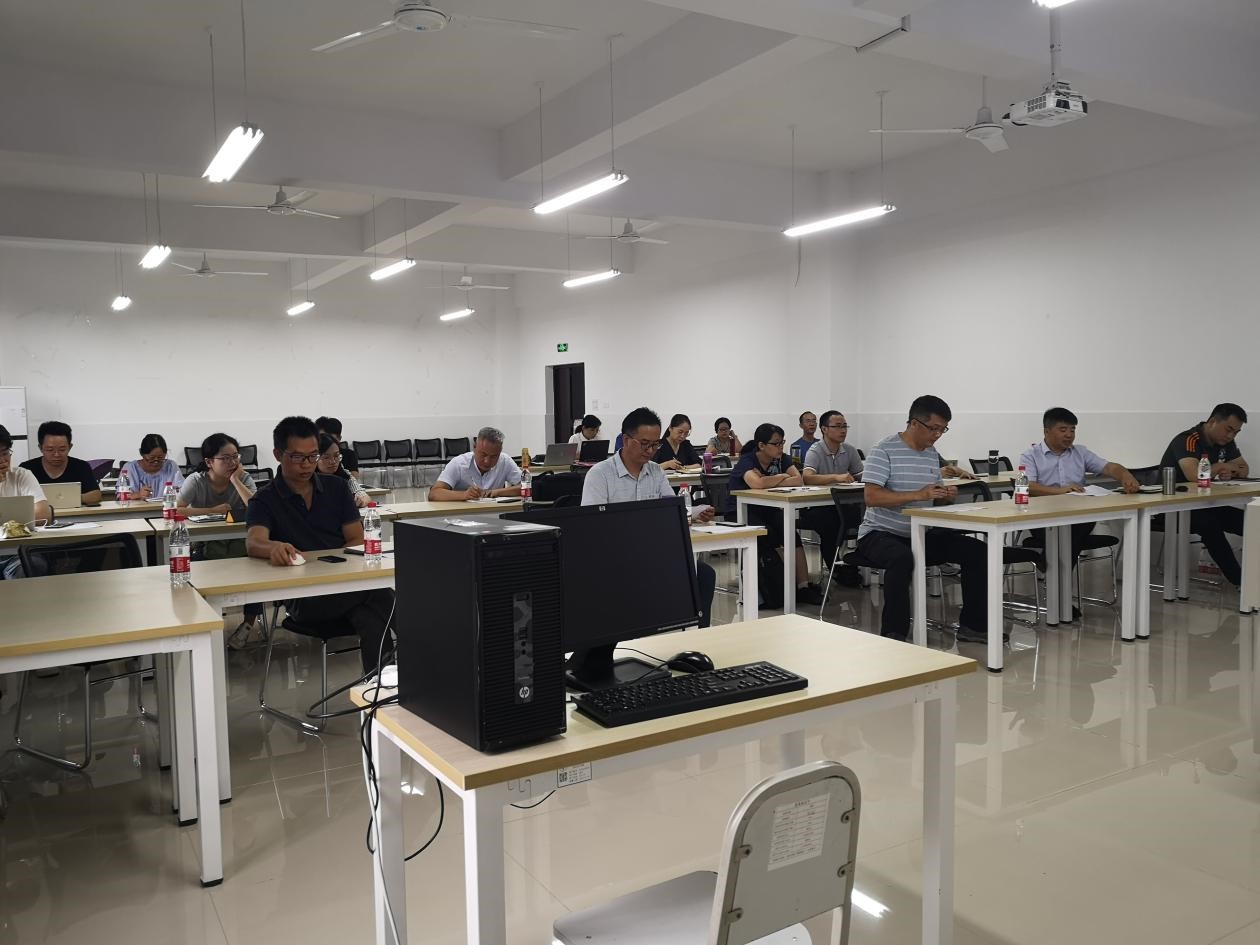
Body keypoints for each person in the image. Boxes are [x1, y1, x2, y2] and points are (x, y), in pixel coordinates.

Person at [246, 416, 394, 672]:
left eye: (313, 456)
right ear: (278, 454)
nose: (307, 464)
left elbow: (356, 538)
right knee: (380, 593)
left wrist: (337, 566)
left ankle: (380, 686)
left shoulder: (336, 488)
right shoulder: (264, 499)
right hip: (305, 596)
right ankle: (426, 654)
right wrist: (274, 548)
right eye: (297, 457)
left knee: (372, 619)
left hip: (345, 586)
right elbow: (254, 542)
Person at [855, 395, 989, 643]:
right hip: (879, 533)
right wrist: (919, 494)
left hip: (919, 532)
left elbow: (932, 497)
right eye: (934, 428)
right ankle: (894, 634)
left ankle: (974, 626)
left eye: (942, 430)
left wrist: (945, 496)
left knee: (977, 551)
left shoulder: (930, 453)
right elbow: (871, 497)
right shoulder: (884, 449)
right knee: (901, 558)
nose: (937, 435)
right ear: (915, 423)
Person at [582, 407, 717, 627]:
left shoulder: (655, 472)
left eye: (655, 445)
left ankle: (696, 635)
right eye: (645, 444)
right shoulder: (600, 474)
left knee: (703, 574)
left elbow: (671, 509)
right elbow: (591, 526)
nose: (651, 451)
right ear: (626, 440)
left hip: (653, 551)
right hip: (616, 557)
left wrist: (695, 513)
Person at [1019, 408, 1140, 600]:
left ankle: (1054, 582)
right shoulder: (1031, 455)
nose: (1069, 435)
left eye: (1072, 430)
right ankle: (1060, 594)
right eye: (1063, 429)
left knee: (1079, 527)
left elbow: (1109, 467)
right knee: (1070, 537)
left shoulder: (1080, 452)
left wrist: (1125, 475)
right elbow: (1028, 486)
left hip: (1077, 518)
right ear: (1046, 431)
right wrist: (1061, 491)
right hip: (1043, 518)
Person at [177, 432, 263, 647]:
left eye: (235, 457)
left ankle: (248, 624)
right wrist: (211, 510)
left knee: (258, 570)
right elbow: (175, 509)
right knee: (191, 571)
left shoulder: (243, 478)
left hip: (239, 544)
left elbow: (258, 508)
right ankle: (199, 624)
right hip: (205, 545)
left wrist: (235, 479)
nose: (232, 463)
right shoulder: (196, 481)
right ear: (209, 462)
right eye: (225, 458)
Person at [725, 422, 823, 606]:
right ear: (761, 445)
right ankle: (780, 585)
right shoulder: (747, 460)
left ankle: (803, 587)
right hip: (741, 511)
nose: (780, 447)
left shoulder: (782, 459)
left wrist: (769, 479)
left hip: (769, 508)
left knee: (791, 534)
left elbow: (798, 480)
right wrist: (781, 477)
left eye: (782, 442)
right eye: (776, 443)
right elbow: (757, 484)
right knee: (768, 534)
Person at [1160, 403, 1250, 585]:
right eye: (1228, 430)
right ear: (1213, 421)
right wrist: (1222, 466)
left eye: (1236, 432)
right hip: (1171, 508)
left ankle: (1251, 580)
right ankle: (1241, 583)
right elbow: (1194, 475)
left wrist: (1230, 471)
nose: (1231, 436)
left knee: (1249, 522)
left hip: (1204, 504)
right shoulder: (1188, 440)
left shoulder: (1227, 443)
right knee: (1210, 525)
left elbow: (1244, 469)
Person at [801, 410, 864, 585]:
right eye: (837, 426)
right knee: (831, 525)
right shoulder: (816, 450)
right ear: (824, 429)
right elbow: (807, 477)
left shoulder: (850, 450)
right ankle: (836, 569)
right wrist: (836, 477)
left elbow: (861, 475)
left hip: (842, 505)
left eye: (845, 426)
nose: (843, 430)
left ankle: (852, 564)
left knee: (863, 519)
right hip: (816, 506)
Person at [429, 426, 523, 501]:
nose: (487, 461)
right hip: (463, 515)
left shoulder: (505, 460)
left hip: (495, 514)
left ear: (500, 452)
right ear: (474, 447)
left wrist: (496, 492)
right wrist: (464, 495)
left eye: (494, 456)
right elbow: (434, 493)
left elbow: (527, 487)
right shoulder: (458, 463)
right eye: (483, 454)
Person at [20, 420, 101, 505]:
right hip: (40, 513)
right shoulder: (26, 469)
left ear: (70, 447)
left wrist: (69, 498)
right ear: (40, 448)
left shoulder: (81, 466)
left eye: (62, 449)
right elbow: (17, 498)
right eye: (50, 450)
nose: (56, 454)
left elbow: (96, 495)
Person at [0, 424, 50, 524]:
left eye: (5, 453)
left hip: (18, 534)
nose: (2, 460)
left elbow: (43, 515)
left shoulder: (21, 475)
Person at [121, 433, 185, 500]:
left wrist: (179, 491)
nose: (156, 462)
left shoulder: (171, 466)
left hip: (166, 506)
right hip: (139, 507)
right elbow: (121, 497)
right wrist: (138, 494)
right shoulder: (130, 468)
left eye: (160, 458)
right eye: (151, 458)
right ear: (142, 453)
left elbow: (183, 490)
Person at [317, 433, 371, 507]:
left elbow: (363, 495)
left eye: (336, 456)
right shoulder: (308, 478)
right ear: (315, 458)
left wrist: (361, 500)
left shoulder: (344, 474)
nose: (333, 461)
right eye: (326, 457)